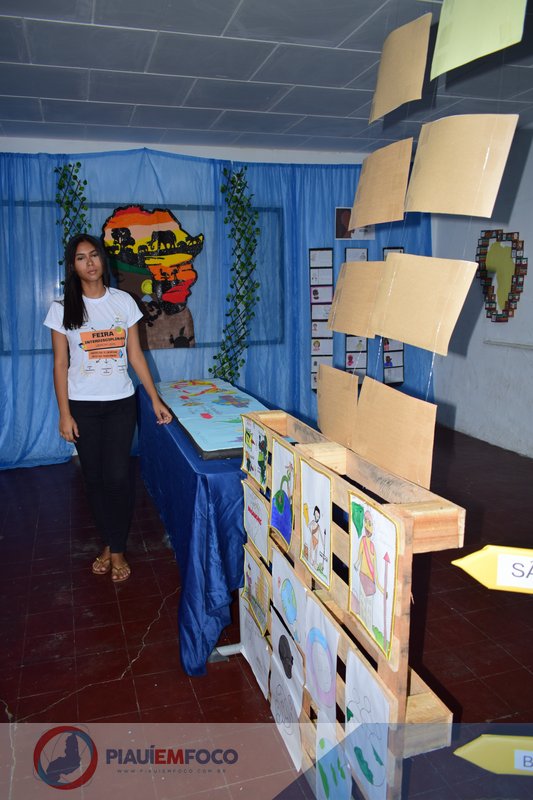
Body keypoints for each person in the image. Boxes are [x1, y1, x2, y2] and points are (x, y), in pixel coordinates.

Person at [44, 234, 172, 582]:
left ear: (103, 259)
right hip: (82, 405)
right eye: (81, 257)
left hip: (119, 404)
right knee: (94, 479)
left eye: (94, 255)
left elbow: (136, 356)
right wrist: (64, 413)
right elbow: (60, 364)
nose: (89, 262)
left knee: (117, 477)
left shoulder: (123, 302)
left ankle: (116, 550)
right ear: (73, 266)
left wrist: (155, 399)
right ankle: (110, 542)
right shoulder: (61, 309)